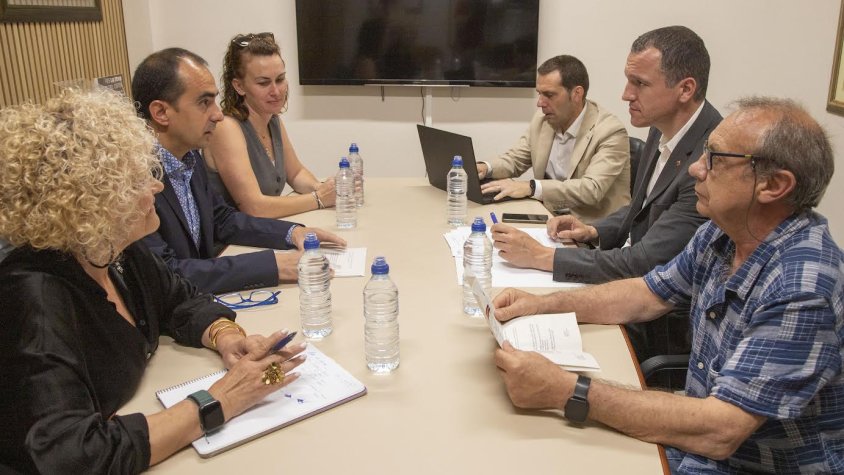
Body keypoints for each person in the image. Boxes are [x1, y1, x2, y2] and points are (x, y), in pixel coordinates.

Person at [492, 97, 843, 473]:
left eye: (715, 159)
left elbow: (721, 430)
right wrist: (541, 304)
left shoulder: (802, 285)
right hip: (697, 446)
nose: (695, 169)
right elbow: (645, 294)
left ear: (773, 185)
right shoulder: (720, 235)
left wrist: (565, 391)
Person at [0, 88, 307, 473]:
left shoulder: (114, 252)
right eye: (138, 181)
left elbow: (180, 300)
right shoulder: (34, 300)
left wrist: (228, 337)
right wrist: (218, 401)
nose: (157, 187)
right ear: (91, 203)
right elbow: (72, 456)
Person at [492, 26, 720, 362]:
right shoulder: (661, 129)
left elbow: (644, 262)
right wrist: (597, 230)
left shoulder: (709, 158)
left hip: (662, 320)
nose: (626, 94)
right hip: (630, 288)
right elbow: (639, 211)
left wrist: (543, 257)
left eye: (639, 83)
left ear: (685, 89)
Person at [132, 48, 345, 294]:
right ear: (160, 112)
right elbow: (165, 274)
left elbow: (223, 219)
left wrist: (291, 232)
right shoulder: (133, 179)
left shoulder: (189, 157)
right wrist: (270, 265)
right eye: (204, 103)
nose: (218, 114)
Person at [477, 54, 630, 223]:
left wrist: (531, 187)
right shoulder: (543, 119)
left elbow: (591, 190)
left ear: (577, 94)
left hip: (593, 229)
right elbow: (515, 159)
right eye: (539, 94)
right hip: (548, 216)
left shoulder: (610, 131)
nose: (540, 103)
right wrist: (485, 167)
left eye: (549, 95)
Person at [204, 33, 336, 218]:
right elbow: (254, 207)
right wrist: (319, 199)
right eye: (263, 83)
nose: (276, 91)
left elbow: (296, 174)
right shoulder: (226, 128)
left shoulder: (272, 120)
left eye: (280, 79)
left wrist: (323, 188)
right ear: (239, 86)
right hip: (229, 244)